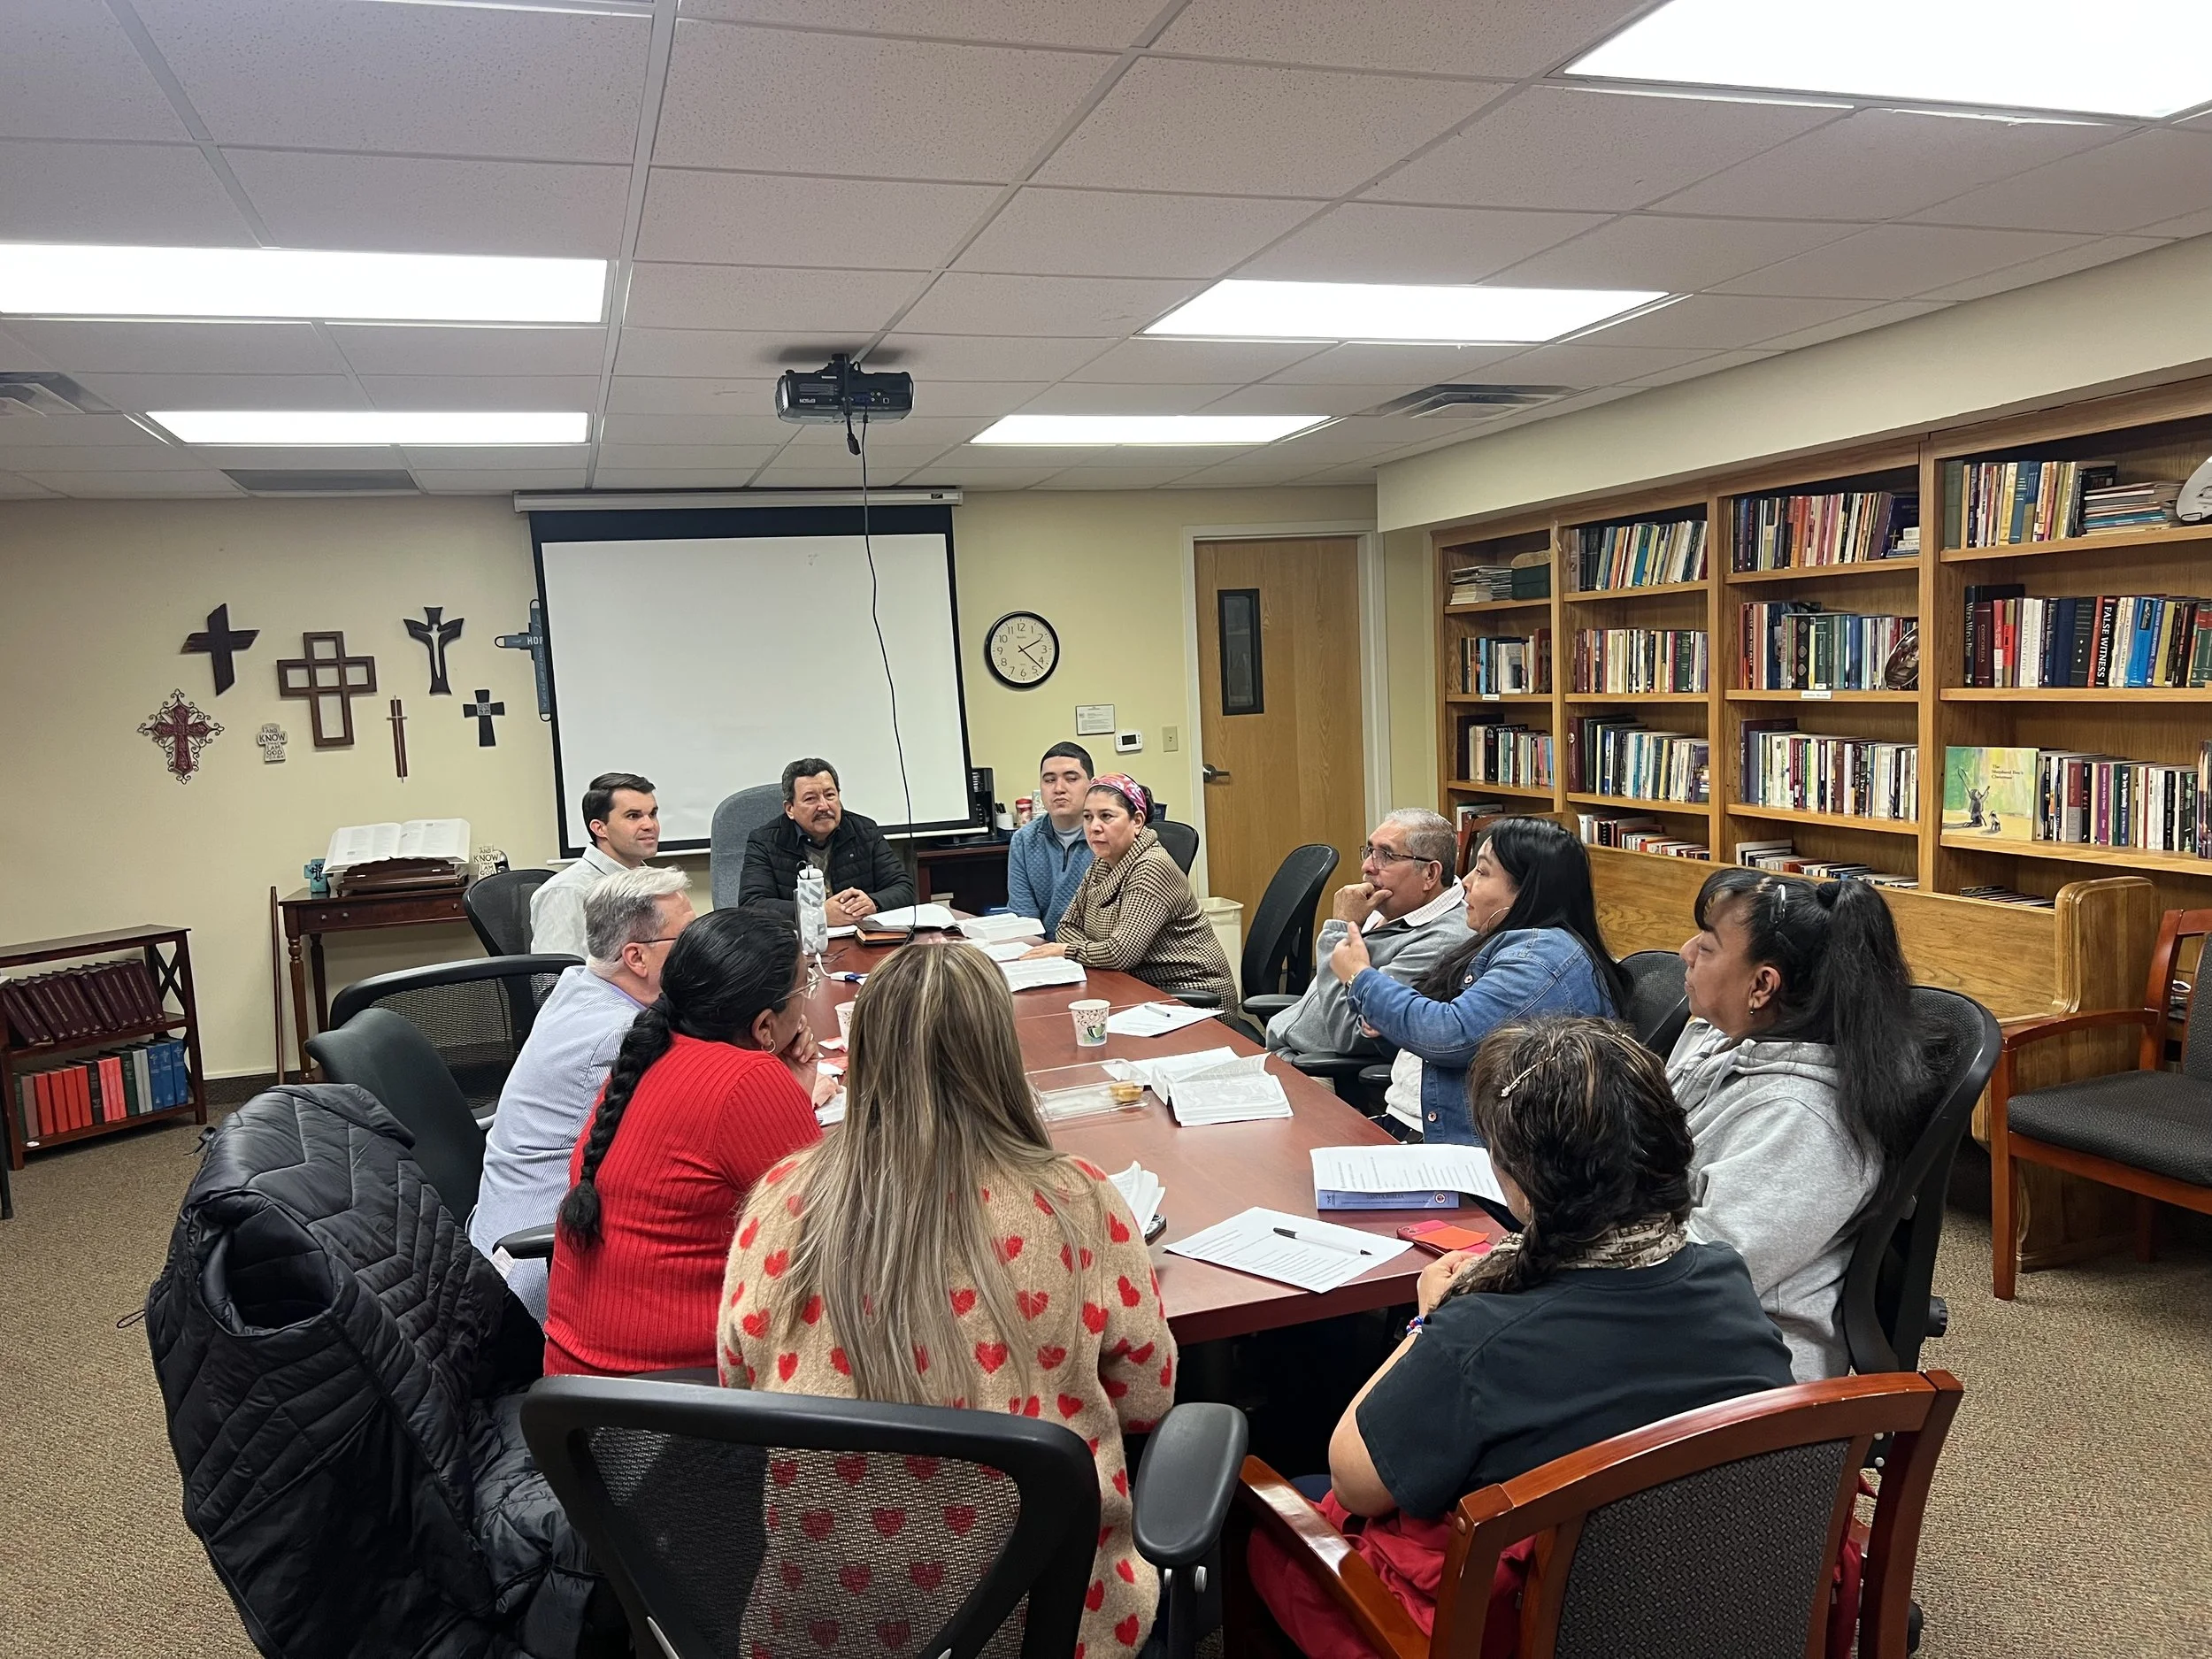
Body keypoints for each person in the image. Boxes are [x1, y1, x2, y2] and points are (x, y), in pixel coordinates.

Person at [1248, 1017, 1794, 1656]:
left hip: (1523, 1629)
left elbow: (1354, 1480)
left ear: (1522, 1184)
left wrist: (1428, 1322)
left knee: (1271, 1522)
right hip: (1701, 1606)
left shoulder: (1478, 1335)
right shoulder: (1726, 1278)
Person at [718, 943, 1175, 1656]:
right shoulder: (1078, 1198)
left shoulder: (777, 1198)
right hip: (1047, 1622)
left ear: (864, 1056)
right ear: (1001, 1054)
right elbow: (1147, 1398)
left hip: (826, 1626)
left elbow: (740, 1388)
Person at [541, 905, 833, 1378]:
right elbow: (831, 1239)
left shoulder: (651, 1050)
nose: (806, 999)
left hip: (586, 1389)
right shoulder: (746, 1080)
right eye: (804, 988)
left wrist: (793, 1094)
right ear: (764, 1027)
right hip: (676, 1397)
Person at [1671, 868, 1938, 1380]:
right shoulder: (1712, 1037)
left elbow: (1703, 1276)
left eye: (1706, 946)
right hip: (1672, 1322)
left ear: (1762, 985)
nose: (1685, 952)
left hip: (1737, 1371)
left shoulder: (1804, 1120)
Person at [469, 866, 694, 1320]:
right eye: (686, 939)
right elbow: (698, 1130)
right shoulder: (619, 1035)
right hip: (542, 1276)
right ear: (636, 957)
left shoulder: (578, 984)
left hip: (513, 1226)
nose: (699, 949)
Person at [1332, 817, 1624, 1146]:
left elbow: (1451, 1035)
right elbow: (1434, 1032)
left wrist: (1360, 978)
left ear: (1527, 891)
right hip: (1413, 1125)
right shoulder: (1502, 941)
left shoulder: (1539, 958)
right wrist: (1387, 1023)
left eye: (1482, 872)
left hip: (1455, 1148)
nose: (1466, 882)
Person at [1266, 808, 1467, 1061]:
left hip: (1316, 1068)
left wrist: (1340, 928)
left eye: (1386, 856)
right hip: (1285, 1048)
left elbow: (1350, 1035)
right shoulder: (1389, 906)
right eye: (1370, 851)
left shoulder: (1440, 941)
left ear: (1430, 874)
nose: (1367, 866)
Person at [1021, 774, 1236, 1009]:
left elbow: (1122, 952)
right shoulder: (1102, 862)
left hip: (1192, 998)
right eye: (1088, 817)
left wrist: (1068, 951)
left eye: (1106, 816)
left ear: (1137, 821)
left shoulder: (1151, 867)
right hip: (1133, 986)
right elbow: (1067, 927)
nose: (1094, 827)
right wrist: (1094, 949)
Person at [738, 757, 915, 925]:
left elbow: (903, 888)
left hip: (859, 936)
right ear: (790, 809)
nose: (823, 806)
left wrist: (873, 903)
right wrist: (817, 913)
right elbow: (752, 904)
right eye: (810, 799)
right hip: (798, 940)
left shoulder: (865, 831)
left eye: (830, 795)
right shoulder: (765, 842)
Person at [529, 771, 660, 956]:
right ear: (600, 828)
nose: (650, 825)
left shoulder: (654, 883)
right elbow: (556, 972)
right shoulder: (567, 892)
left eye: (652, 814)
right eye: (633, 816)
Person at [1005, 741, 1094, 936]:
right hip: (1044, 949)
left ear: (1091, 785)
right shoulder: (1023, 841)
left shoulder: (1105, 836)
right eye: (1049, 780)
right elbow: (1025, 922)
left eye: (1071, 779)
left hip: (1098, 950)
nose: (1059, 788)